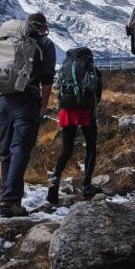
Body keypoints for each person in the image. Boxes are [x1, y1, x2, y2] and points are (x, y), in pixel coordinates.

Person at [0, 12, 56, 217]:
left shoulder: (7, 39)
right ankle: (10, 201)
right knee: (20, 148)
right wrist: (44, 103)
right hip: (28, 98)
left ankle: (7, 197)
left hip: (4, 99)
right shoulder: (45, 43)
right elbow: (47, 78)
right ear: (42, 27)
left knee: (6, 150)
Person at [47, 48, 104, 204]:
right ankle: (87, 184)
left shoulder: (65, 68)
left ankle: (54, 180)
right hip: (85, 110)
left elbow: (58, 89)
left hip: (67, 110)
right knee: (91, 146)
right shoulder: (93, 70)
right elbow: (97, 96)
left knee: (67, 148)